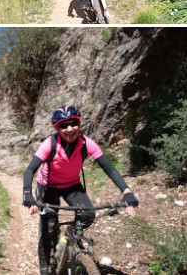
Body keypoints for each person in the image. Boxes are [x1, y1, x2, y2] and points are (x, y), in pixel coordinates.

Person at [21, 106, 138, 275]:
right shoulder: (50, 144)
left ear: (79, 123)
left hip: (71, 184)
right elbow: (30, 169)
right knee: (48, 227)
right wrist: (27, 193)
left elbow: (109, 168)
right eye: (63, 125)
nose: (70, 129)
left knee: (88, 214)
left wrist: (126, 191)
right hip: (48, 186)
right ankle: (45, 269)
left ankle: (71, 237)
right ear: (57, 129)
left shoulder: (86, 143)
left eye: (73, 123)